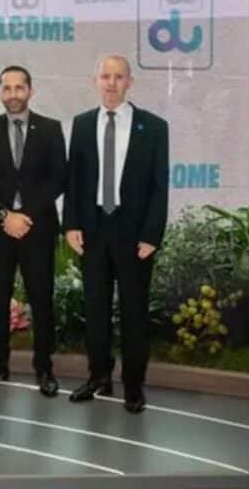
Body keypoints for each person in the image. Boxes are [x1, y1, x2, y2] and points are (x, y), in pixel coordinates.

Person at [64, 55, 168, 414]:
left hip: (135, 236)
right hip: (93, 231)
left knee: (134, 312)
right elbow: (74, 180)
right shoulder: (81, 124)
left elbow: (159, 187)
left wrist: (152, 234)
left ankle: (134, 386)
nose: (111, 83)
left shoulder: (154, 127)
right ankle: (99, 377)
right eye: (105, 76)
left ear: (130, 82)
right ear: (95, 81)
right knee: (95, 311)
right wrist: (71, 224)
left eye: (118, 77)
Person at [0, 65, 66, 397]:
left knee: (42, 300)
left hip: (37, 229)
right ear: (0, 93)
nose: (13, 94)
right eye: (7, 88)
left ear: (30, 91)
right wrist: (4, 215)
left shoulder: (50, 129)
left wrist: (24, 216)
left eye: (19, 88)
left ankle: (44, 368)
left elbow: (58, 178)